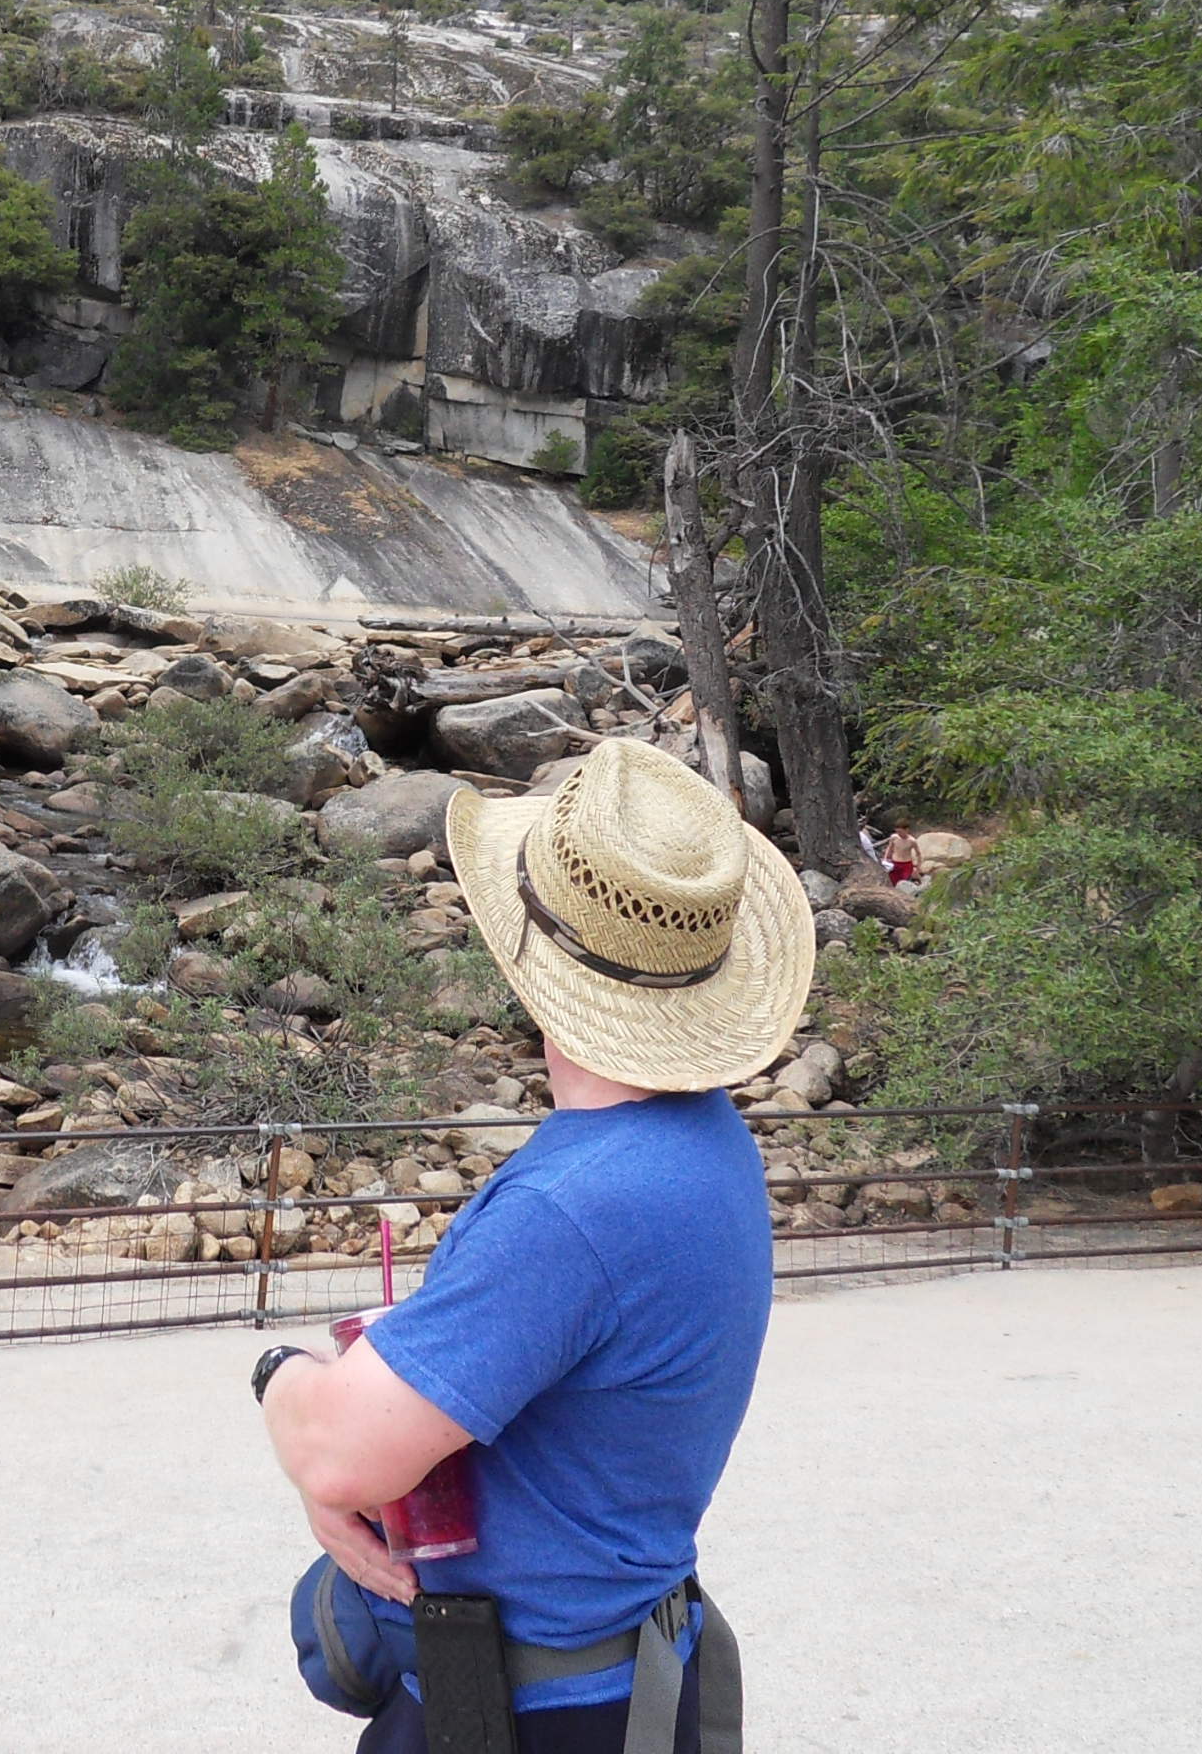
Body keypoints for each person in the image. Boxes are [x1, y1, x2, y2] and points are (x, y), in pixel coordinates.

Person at [255, 739, 812, 1754]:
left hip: (530, 1714)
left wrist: (279, 1376)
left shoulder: (570, 1209)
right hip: (645, 1673)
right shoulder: (709, 1139)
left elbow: (339, 1453)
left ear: (525, 953)